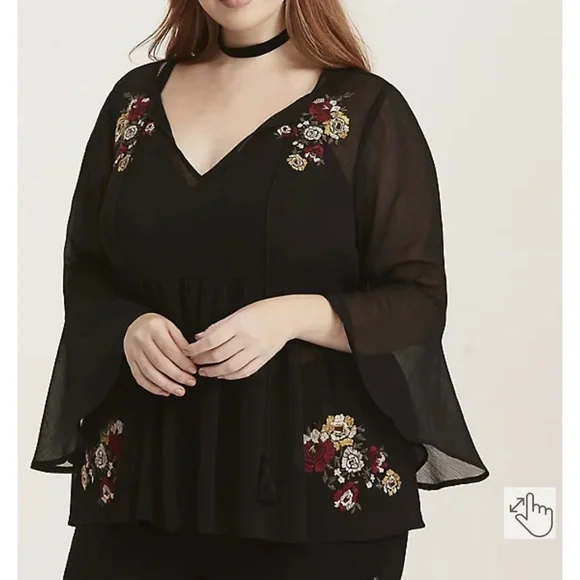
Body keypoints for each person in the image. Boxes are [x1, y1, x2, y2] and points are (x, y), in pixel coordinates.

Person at [31, 0, 489, 578]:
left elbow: (418, 301)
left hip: (308, 500)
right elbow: (87, 269)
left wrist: (292, 317)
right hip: (141, 482)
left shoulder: (365, 109)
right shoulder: (133, 101)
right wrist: (128, 326)